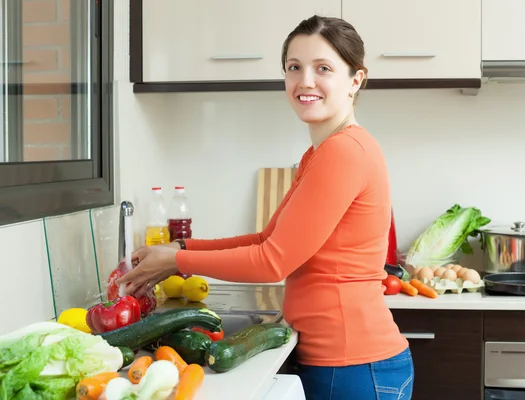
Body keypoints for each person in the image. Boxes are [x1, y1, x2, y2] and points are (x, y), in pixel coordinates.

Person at [116, 15, 414, 400]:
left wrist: (179, 263)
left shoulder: (343, 152)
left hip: (354, 365)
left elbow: (273, 261)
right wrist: (181, 249)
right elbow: (267, 238)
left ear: (355, 80)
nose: (305, 80)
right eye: (294, 67)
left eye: (323, 68)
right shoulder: (322, 152)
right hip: (351, 362)